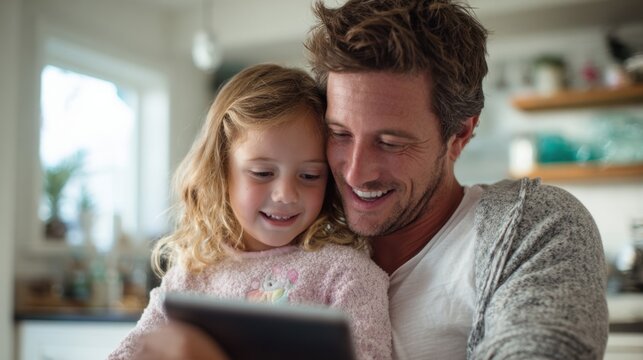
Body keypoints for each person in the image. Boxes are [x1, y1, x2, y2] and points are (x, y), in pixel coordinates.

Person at [132, 0, 609, 359]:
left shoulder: (533, 228)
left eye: (391, 141)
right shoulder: (283, 241)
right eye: (339, 134)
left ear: (459, 134)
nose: (354, 172)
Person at [108, 63, 392, 360]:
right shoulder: (189, 278)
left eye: (309, 176)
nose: (285, 194)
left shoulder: (346, 274)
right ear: (220, 172)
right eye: (262, 173)